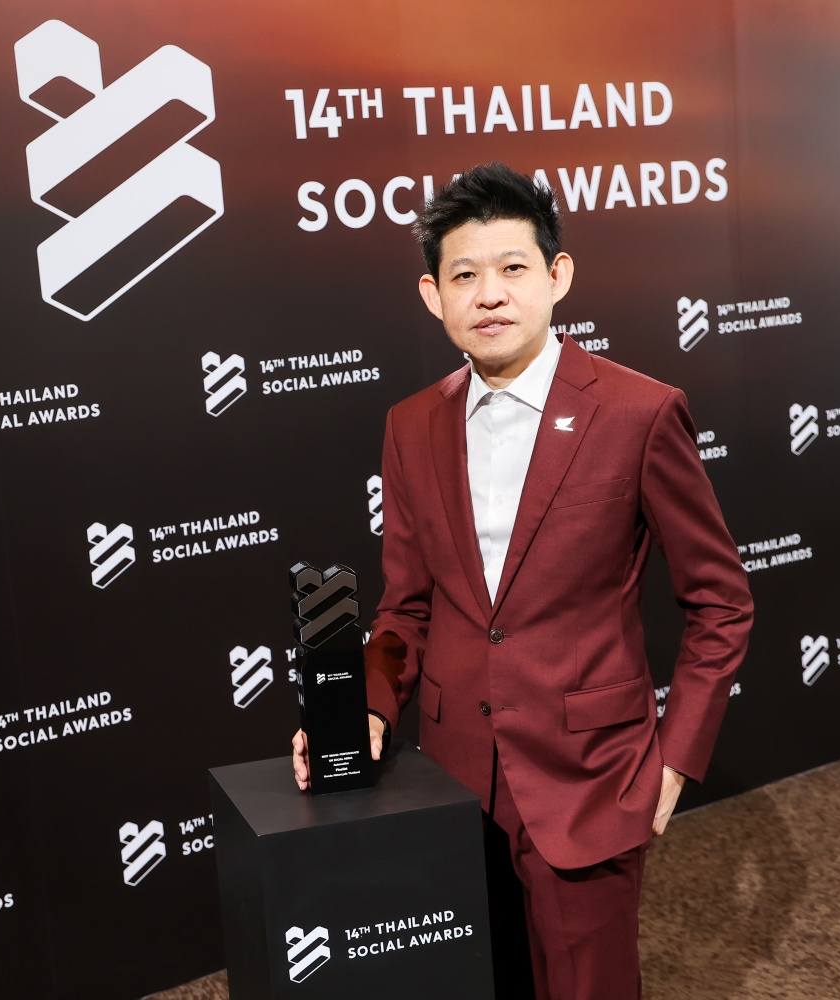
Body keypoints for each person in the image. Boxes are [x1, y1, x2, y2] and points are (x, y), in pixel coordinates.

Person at [292, 162, 752, 1000]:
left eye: (512, 267)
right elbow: (407, 606)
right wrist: (364, 709)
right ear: (433, 295)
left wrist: (676, 760)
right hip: (453, 780)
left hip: (591, 776)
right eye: (464, 275)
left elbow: (721, 601)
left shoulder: (640, 413)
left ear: (557, 275)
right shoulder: (410, 424)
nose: (490, 294)